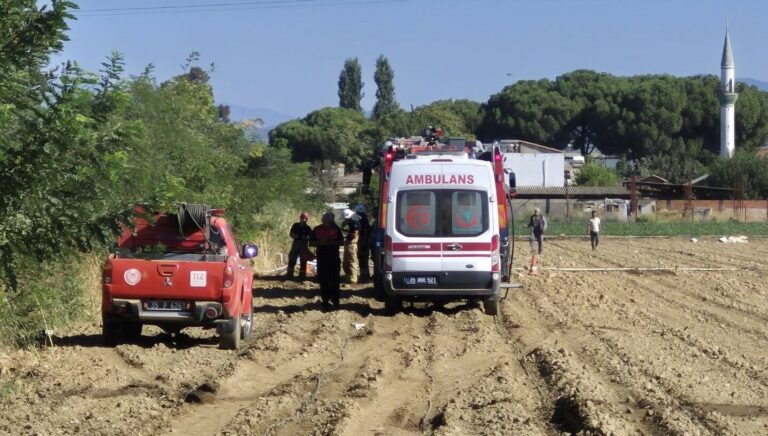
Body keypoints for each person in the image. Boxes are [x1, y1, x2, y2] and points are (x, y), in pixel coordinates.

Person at [310, 212, 343, 311]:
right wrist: (320, 242)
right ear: (322, 221)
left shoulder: (336, 229)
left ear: (331, 221)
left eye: (328, 222)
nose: (327, 224)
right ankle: (325, 301)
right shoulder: (317, 229)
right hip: (322, 259)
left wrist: (332, 242)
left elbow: (342, 242)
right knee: (323, 281)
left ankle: (335, 301)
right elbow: (311, 242)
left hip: (334, 259)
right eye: (325, 222)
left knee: (335, 281)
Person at [286, 211, 312, 279]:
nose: (304, 220)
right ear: (300, 218)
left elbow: (311, 237)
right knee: (292, 259)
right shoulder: (295, 225)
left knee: (303, 260)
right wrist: (295, 236)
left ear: (307, 219)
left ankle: (302, 276)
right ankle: (289, 274)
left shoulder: (308, 228)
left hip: (304, 245)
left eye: (305, 218)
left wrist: (306, 238)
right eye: (303, 218)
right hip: (296, 244)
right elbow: (291, 234)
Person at [341, 208, 360, 284]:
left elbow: (354, 234)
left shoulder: (355, 222)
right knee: (346, 262)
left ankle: (353, 280)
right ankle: (348, 277)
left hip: (352, 244)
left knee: (352, 261)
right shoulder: (351, 221)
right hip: (348, 243)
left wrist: (347, 233)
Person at [355, 204, 371, 281]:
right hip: (364, 241)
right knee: (364, 258)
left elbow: (364, 231)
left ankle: (364, 275)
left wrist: (363, 241)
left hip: (363, 241)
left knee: (362, 258)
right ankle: (365, 274)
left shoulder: (361, 218)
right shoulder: (365, 218)